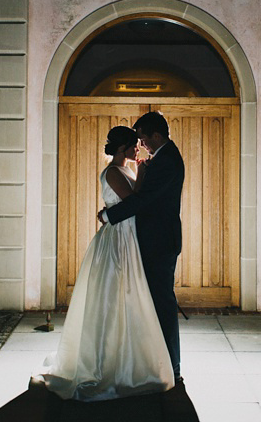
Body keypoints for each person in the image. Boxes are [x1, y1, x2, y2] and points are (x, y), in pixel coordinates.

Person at [39, 125, 174, 401]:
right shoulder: (113, 171)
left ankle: (128, 357)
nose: (138, 148)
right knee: (112, 297)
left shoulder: (126, 169)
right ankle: (105, 361)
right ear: (123, 148)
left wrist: (140, 174)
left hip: (129, 235)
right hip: (118, 239)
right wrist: (143, 174)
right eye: (134, 145)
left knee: (130, 296)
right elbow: (132, 200)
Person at [99, 111, 184, 382]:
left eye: (144, 139)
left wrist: (107, 216)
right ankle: (153, 361)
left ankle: (171, 367)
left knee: (161, 303)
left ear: (156, 135)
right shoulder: (162, 159)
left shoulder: (167, 161)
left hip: (158, 241)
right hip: (150, 239)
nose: (142, 145)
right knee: (148, 302)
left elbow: (143, 200)